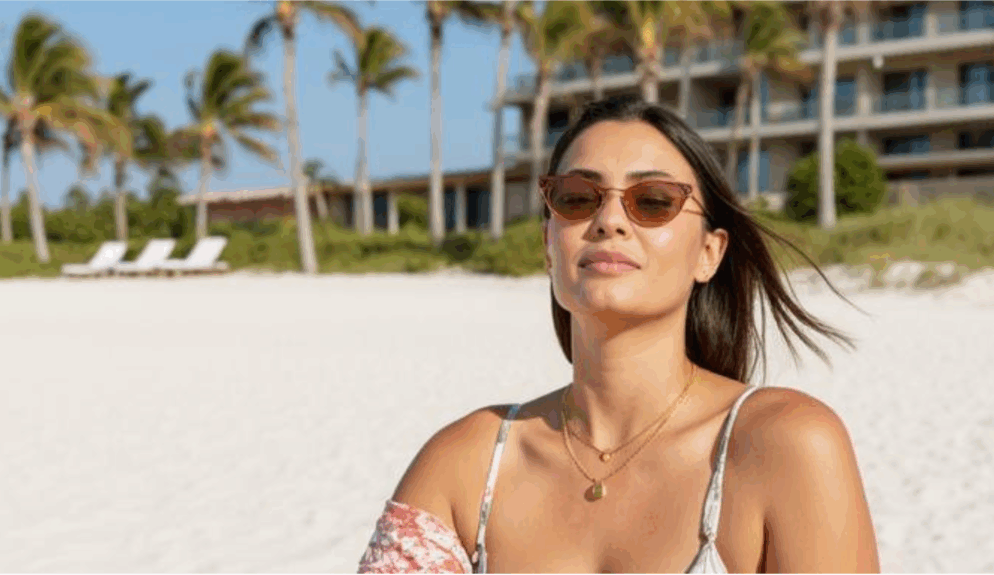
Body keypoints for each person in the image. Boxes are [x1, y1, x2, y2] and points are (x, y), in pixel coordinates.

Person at [358, 95, 880, 573]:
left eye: (652, 200)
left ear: (709, 253)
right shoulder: (466, 465)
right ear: (548, 244)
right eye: (578, 198)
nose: (610, 220)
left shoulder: (784, 444)